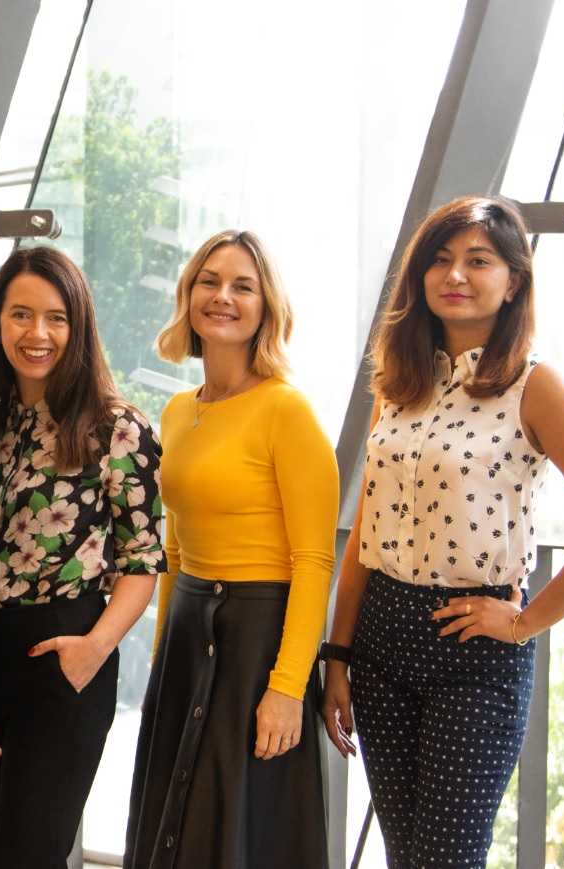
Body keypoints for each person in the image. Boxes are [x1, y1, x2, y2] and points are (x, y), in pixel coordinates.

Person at [319, 194, 564, 868]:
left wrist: (525, 622)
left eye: (477, 260)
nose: (454, 275)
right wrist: (338, 656)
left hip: (472, 648)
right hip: (380, 638)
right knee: (405, 853)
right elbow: (365, 535)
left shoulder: (532, 386)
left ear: (513, 280)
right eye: (439, 260)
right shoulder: (399, 384)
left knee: (446, 858)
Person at [124, 229, 338, 869]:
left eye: (243, 286)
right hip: (190, 632)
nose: (223, 296)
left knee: (240, 833)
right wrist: (165, 652)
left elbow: (314, 563)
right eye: (209, 282)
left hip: (259, 642)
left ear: (266, 307)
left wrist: (287, 688)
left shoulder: (286, 411)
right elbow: (178, 551)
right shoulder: (177, 410)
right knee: (172, 827)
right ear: (189, 297)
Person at [0, 246, 166, 868]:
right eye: (20, 314)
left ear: (78, 328)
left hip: (63, 656)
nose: (37, 333)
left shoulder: (116, 428)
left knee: (31, 854)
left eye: (56, 318)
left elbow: (143, 560)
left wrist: (94, 649)